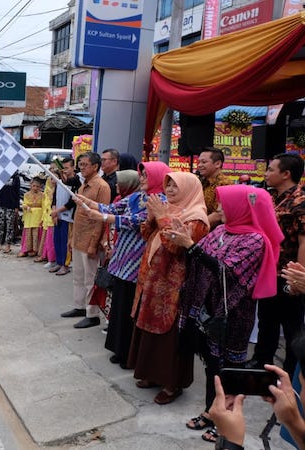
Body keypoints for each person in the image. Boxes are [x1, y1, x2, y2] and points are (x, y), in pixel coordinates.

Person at [173, 184, 282, 442]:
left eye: (224, 203)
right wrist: (185, 244)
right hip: (209, 311)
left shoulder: (255, 240)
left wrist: (191, 246)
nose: (219, 208)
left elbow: (227, 272)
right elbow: (199, 260)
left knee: (230, 370)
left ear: (241, 208)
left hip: (234, 315)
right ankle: (213, 412)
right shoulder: (221, 230)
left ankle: (228, 421)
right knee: (212, 366)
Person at [77, 163, 170, 368]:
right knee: (119, 306)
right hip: (121, 258)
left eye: (146, 175)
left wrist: (103, 217)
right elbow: (112, 208)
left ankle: (129, 353)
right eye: (141, 175)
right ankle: (119, 349)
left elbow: (136, 221)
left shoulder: (160, 200)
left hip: (138, 262)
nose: (143, 178)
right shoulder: (137, 196)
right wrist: (85, 202)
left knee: (129, 308)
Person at [128, 171, 209, 405]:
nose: (170, 191)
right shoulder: (170, 209)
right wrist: (153, 217)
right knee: (149, 328)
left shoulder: (196, 217)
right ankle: (152, 375)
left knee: (169, 335)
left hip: (174, 286)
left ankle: (172, 385)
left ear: (189, 189)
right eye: (168, 186)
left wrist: (162, 216)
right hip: (153, 279)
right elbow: (147, 235)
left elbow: (175, 247)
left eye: (175, 187)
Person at [247, 153, 305, 377]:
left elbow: (303, 242)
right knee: (267, 319)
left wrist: (297, 277)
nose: (266, 174)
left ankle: (292, 370)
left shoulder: (299, 201)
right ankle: (262, 360)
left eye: (271, 169)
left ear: (286, 174)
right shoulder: (270, 197)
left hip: (287, 273)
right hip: (268, 270)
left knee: (291, 325)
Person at [60, 152, 111, 328]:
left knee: (90, 279)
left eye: (84, 165)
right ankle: (79, 306)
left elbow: (101, 218)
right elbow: (79, 215)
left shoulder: (101, 187)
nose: (81, 168)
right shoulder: (84, 185)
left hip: (90, 240)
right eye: (80, 165)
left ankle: (93, 313)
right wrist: (72, 237)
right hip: (78, 238)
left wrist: (93, 244)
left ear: (95, 166)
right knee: (78, 276)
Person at [48, 158, 76, 275]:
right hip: (58, 216)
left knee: (66, 242)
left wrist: (58, 211)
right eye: (62, 168)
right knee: (57, 241)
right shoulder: (59, 181)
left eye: (66, 168)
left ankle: (66, 264)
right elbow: (54, 198)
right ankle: (59, 262)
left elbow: (71, 203)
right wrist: (54, 211)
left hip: (68, 217)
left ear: (73, 168)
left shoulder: (75, 181)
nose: (64, 171)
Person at [198, 147, 233, 228]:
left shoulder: (224, 184)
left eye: (204, 162)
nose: (199, 165)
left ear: (218, 164)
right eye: (199, 162)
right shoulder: (203, 181)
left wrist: (197, 228)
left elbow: (218, 215)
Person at [0, 171, 21, 254]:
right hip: (0, 204)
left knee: (10, 226)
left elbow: (17, 192)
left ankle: (8, 245)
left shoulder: (16, 177)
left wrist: (16, 206)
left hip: (11, 205)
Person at [18, 177, 45, 257]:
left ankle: (35, 250)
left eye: (37, 186)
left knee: (36, 233)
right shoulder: (26, 194)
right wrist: (26, 206)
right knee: (28, 233)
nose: (35, 188)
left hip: (38, 216)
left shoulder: (42, 195)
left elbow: (44, 207)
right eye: (34, 186)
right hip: (29, 216)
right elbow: (24, 204)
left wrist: (43, 218)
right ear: (30, 185)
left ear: (40, 187)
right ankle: (26, 249)